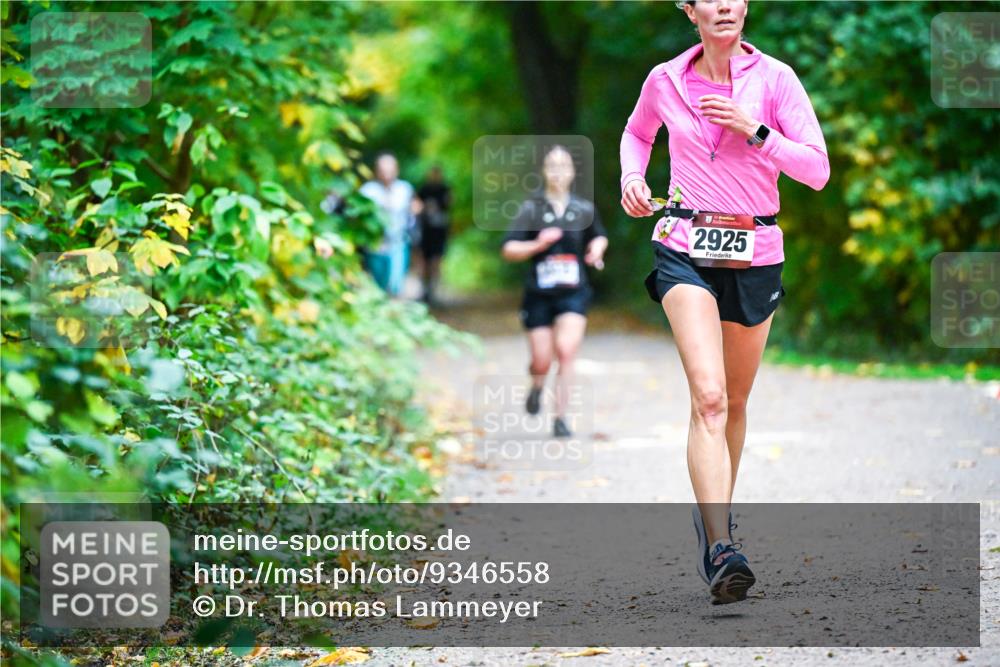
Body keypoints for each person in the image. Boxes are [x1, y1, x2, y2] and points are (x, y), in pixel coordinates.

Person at [619, 0, 829, 604]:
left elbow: (817, 170)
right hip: (683, 243)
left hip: (756, 251)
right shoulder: (665, 79)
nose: (726, 6)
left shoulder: (776, 79)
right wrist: (633, 178)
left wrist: (754, 130)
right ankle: (720, 548)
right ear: (691, 10)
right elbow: (637, 134)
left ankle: (715, 513)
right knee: (708, 397)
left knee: (735, 401)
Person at [502, 145, 608, 438]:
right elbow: (509, 248)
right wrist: (538, 244)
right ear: (544, 171)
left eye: (564, 166)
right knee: (541, 361)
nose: (558, 172)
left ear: (572, 172)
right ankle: (537, 386)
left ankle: (561, 418)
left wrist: (596, 250)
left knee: (566, 351)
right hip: (538, 294)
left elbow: (599, 236)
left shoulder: (583, 209)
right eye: (552, 166)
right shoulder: (531, 209)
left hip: (573, 292)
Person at [359, 153, 422, 297]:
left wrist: (415, 209)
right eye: (383, 171)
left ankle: (393, 304)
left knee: (395, 283)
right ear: (377, 171)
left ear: (396, 170)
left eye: (390, 170)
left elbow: (416, 204)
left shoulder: (404, 189)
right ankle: (381, 306)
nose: (387, 175)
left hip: (398, 242)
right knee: (378, 283)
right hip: (375, 245)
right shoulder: (368, 191)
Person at [416, 165, 452, 305]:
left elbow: (450, 203)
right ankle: (425, 290)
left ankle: (433, 290)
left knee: (436, 261)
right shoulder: (424, 189)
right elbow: (417, 205)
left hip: (439, 231)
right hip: (425, 231)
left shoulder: (444, 189)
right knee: (424, 261)